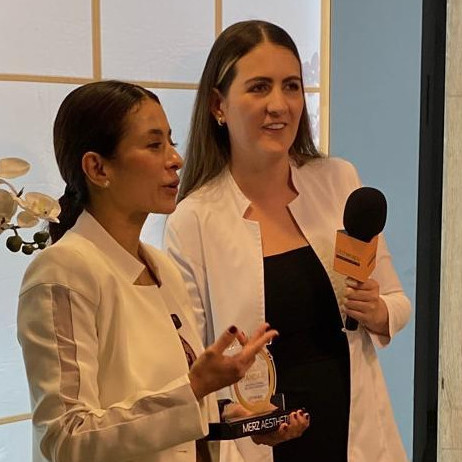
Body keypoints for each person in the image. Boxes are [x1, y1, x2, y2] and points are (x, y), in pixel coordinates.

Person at [16, 80, 308, 462]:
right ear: (97, 168)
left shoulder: (161, 266)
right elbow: (66, 439)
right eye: (154, 145)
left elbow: (170, 412)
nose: (176, 159)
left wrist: (238, 420)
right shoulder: (62, 272)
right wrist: (195, 387)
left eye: (171, 141)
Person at [164, 20, 411, 462]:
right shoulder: (193, 220)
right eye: (259, 87)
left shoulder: (338, 180)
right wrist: (232, 414)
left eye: (291, 86)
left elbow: (397, 303)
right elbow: (195, 365)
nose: (279, 105)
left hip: (353, 433)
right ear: (219, 105)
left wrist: (377, 311)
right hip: (256, 443)